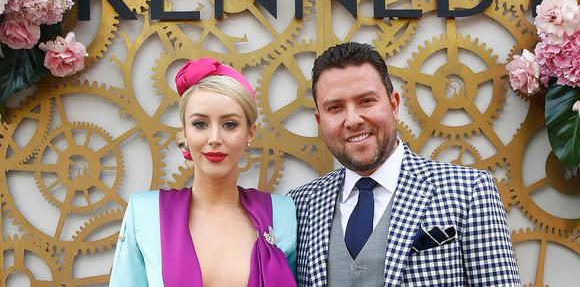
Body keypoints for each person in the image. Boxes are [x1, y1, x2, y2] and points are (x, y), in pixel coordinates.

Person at [288, 42, 521, 286]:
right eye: (335, 108)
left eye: (366, 101)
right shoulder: (301, 205)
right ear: (319, 120)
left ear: (394, 105)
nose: (353, 120)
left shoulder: (469, 191)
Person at [109, 57, 297, 287]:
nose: (214, 138)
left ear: (250, 132)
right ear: (185, 132)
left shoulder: (282, 214)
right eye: (200, 124)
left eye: (230, 124)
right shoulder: (145, 214)